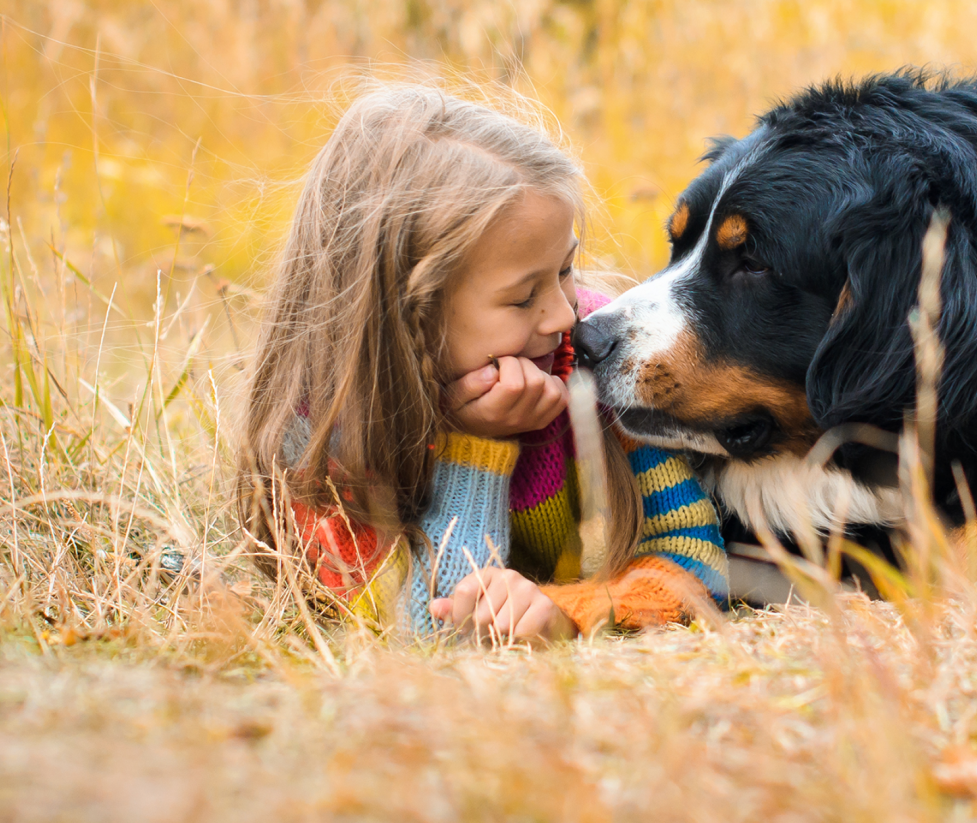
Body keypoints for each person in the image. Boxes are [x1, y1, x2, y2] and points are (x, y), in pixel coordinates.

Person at [236, 82, 729, 640]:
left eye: (564, 270)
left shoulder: (591, 366)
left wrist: (568, 613)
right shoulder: (319, 431)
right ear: (407, 315)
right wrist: (475, 452)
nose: (564, 317)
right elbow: (425, 631)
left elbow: (694, 560)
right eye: (523, 297)